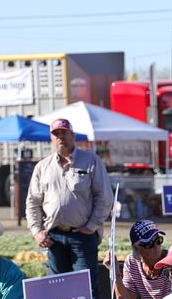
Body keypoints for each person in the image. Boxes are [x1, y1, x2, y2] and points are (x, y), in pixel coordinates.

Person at [26, 118, 111, 276]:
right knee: (58, 289)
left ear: (72, 135)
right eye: (56, 134)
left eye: (64, 133)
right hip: (54, 238)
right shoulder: (42, 167)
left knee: (87, 288)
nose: (60, 137)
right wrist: (37, 232)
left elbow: (104, 197)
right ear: (51, 138)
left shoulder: (91, 161)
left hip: (83, 236)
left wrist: (91, 226)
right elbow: (32, 202)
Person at [108, 220, 172, 299]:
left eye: (159, 240)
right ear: (136, 248)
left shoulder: (171, 262)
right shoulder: (132, 262)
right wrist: (115, 271)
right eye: (150, 244)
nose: (157, 246)